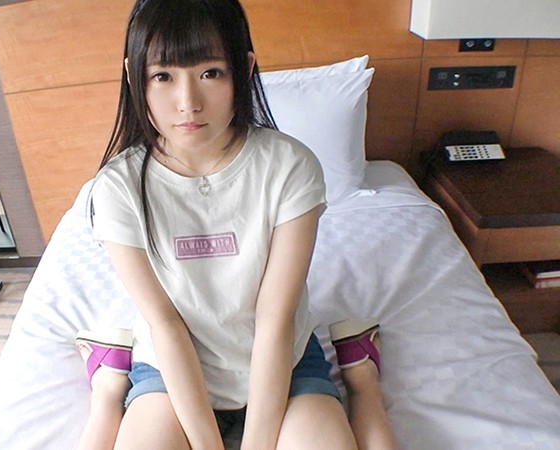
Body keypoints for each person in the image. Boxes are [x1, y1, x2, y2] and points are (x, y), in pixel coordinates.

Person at [75, 0, 398, 448]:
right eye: (163, 76)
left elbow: (274, 318)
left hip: (283, 361)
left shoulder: (288, 166)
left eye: (210, 73)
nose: (188, 103)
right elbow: (166, 324)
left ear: (243, 70)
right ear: (135, 78)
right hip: (171, 368)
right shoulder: (118, 186)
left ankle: (363, 382)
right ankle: (106, 391)